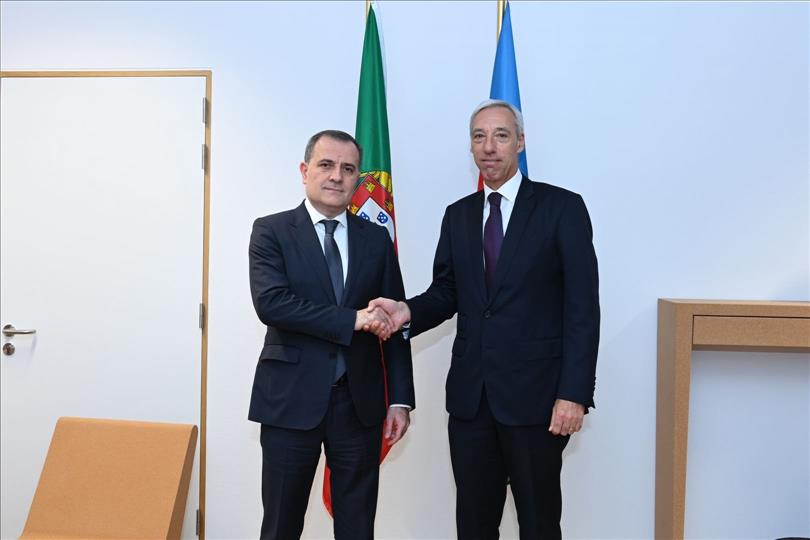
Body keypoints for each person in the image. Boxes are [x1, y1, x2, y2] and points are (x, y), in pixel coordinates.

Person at [369, 100, 599, 539]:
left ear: (520, 142)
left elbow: (583, 310)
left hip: (537, 401)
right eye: (479, 137)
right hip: (471, 402)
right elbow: (447, 292)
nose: (489, 147)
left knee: (539, 524)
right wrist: (406, 310)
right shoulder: (458, 215)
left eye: (501, 136)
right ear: (471, 146)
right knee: (473, 526)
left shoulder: (562, 208)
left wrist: (573, 394)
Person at [248, 129, 415, 540]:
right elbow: (272, 304)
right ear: (305, 171)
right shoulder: (271, 231)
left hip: (359, 405)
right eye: (326, 165)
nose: (337, 176)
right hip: (290, 401)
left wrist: (400, 399)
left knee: (357, 527)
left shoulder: (376, 239)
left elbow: (393, 321)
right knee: (281, 525)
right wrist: (351, 320)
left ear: (358, 178)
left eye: (348, 168)